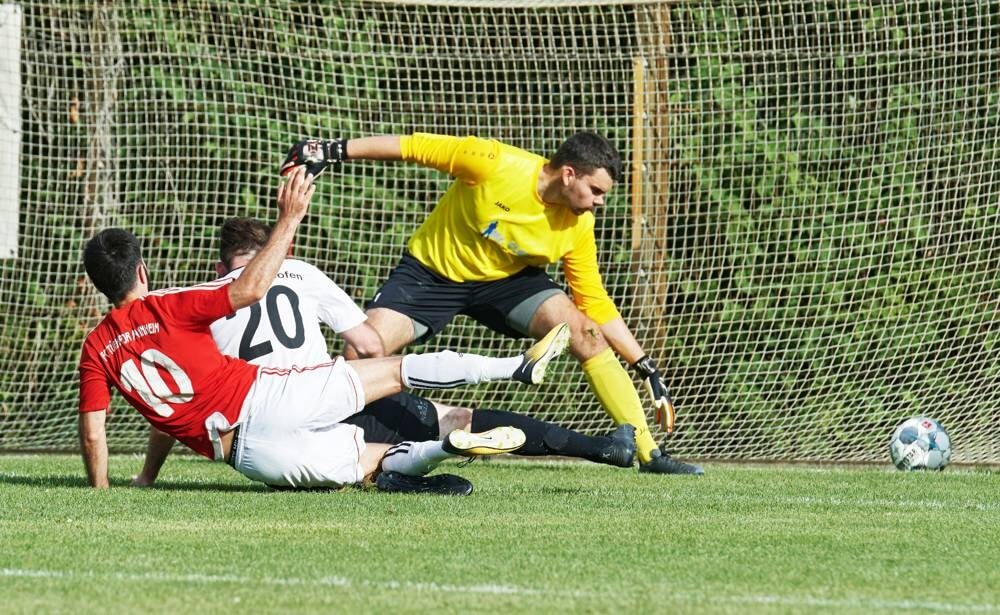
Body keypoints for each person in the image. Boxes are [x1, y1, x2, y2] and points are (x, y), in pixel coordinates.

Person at [77, 167, 571, 492]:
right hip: (272, 397)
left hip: (247, 454)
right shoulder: (170, 305)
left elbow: (94, 433)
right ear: (142, 271)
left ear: (98, 284)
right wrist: (289, 217)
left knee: (373, 461)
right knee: (398, 369)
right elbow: (249, 289)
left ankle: (444, 449)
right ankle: (515, 367)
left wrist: (102, 490)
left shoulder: (97, 347)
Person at [280, 133, 703, 474]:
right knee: (362, 350)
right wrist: (332, 150)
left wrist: (644, 365)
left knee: (586, 333)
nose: (599, 201)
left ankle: (648, 453)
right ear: (568, 174)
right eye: (595, 190)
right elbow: (412, 147)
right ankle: (325, 436)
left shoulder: (578, 225)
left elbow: (595, 302)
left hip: (509, 283)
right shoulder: (493, 162)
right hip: (432, 275)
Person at [131, 217, 637, 488]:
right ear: (277, 253)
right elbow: (368, 342)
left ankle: (394, 474)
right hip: (325, 397)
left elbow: (176, 409)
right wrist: (360, 381)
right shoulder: (300, 272)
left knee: (366, 462)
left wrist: (148, 476)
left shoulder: (197, 303)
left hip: (263, 431)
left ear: (221, 267)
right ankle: (598, 445)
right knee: (452, 417)